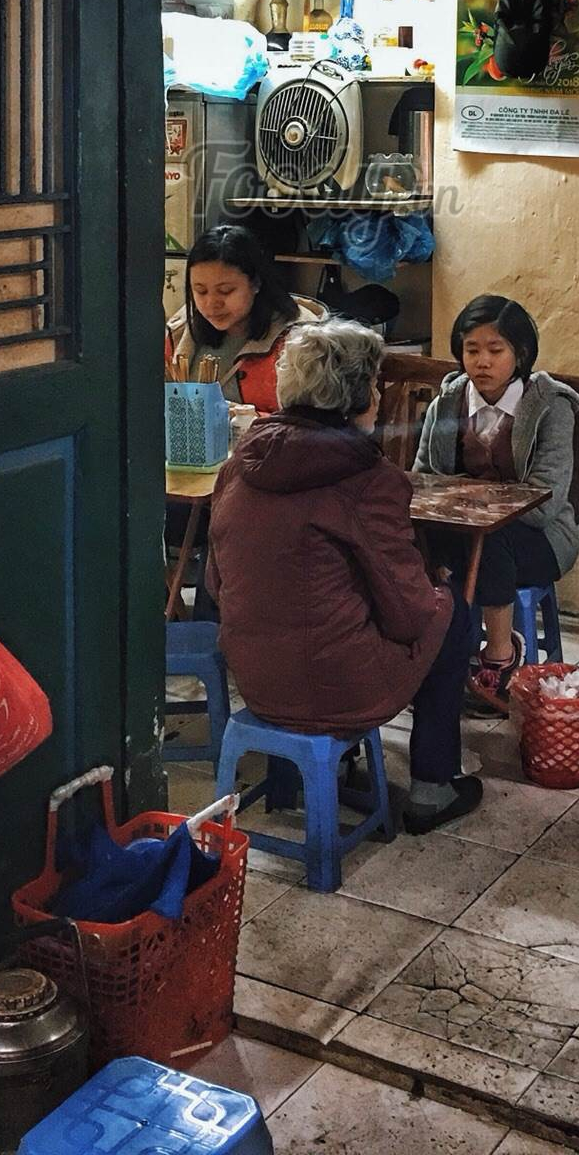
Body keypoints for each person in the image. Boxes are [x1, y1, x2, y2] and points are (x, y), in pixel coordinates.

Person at [207, 318, 482, 836]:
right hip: (336, 690)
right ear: (357, 398)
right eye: (374, 385)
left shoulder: (238, 466)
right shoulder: (369, 481)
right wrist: (433, 587)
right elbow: (409, 616)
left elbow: (217, 585)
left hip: (257, 682)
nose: (378, 397)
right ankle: (432, 786)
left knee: (331, 607)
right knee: (452, 613)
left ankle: (333, 767)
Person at [412, 296, 579, 713]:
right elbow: (422, 479)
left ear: (520, 354)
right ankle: (439, 653)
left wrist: (465, 500)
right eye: (471, 350)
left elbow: (543, 503)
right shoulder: (447, 402)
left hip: (539, 538)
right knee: (414, 538)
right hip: (460, 531)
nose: (482, 362)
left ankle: (500, 657)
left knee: (490, 539)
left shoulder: (551, 407)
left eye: (495, 350)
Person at [165, 224, 325, 413]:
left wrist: (241, 417)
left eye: (226, 291)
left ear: (256, 283)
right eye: (200, 291)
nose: (211, 303)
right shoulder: (181, 330)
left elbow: (310, 424)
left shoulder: (301, 343)